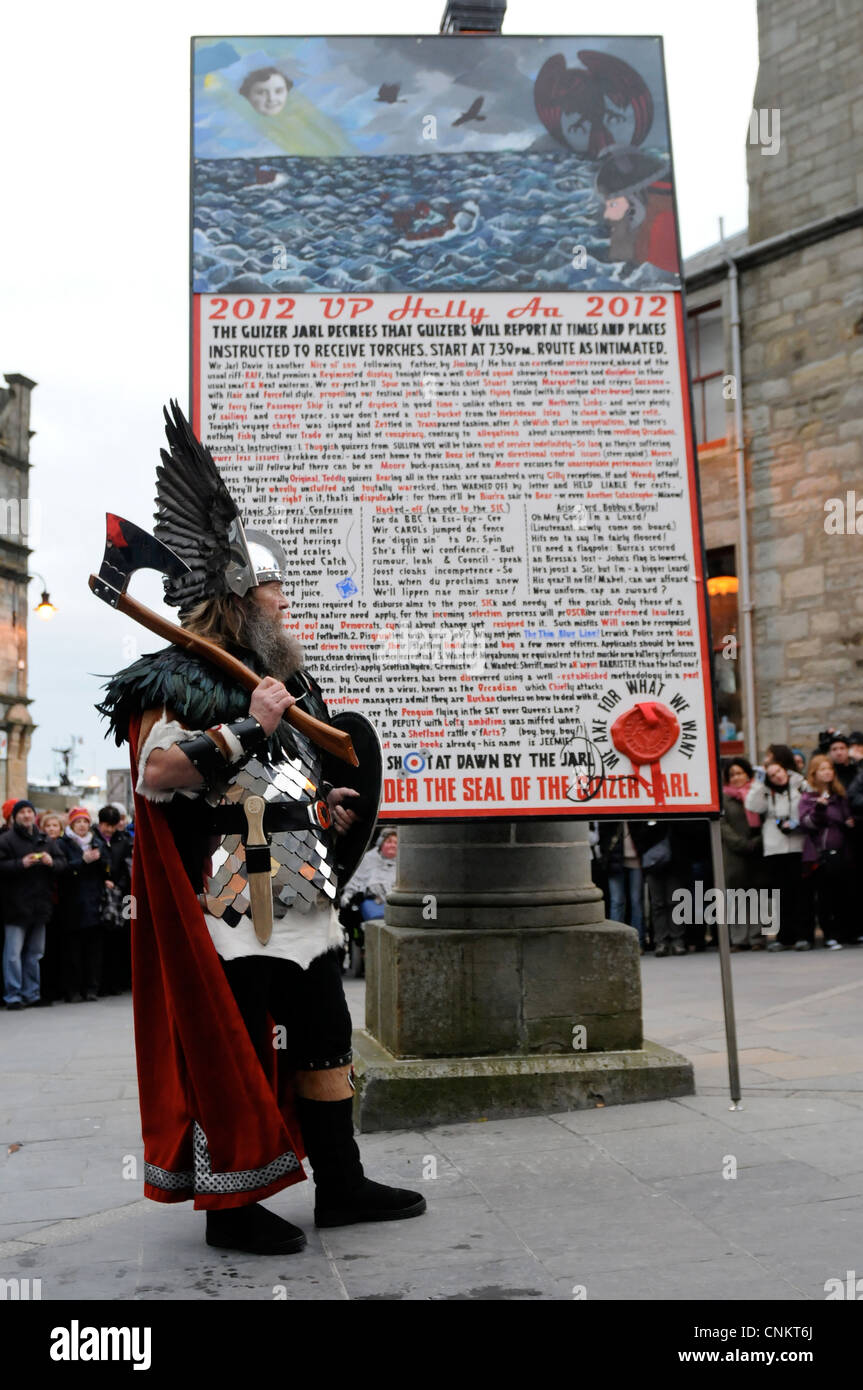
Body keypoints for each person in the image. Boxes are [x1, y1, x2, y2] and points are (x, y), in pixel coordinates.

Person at [95, 403, 425, 1257]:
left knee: (322, 1036)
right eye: (272, 591)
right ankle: (230, 1206)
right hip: (226, 892)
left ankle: (340, 1183)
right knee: (234, 1045)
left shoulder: (294, 679)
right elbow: (159, 773)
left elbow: (311, 774)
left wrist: (332, 806)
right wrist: (246, 724)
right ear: (237, 599)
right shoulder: (169, 675)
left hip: (299, 880)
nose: (284, 604)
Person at [0, 800, 61, 1009]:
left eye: (29, 812)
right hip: (15, 906)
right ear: (14, 816)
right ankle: (13, 995)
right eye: (22, 812)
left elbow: (62, 863)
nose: (26, 816)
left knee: (35, 953)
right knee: (13, 955)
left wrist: (51, 862)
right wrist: (20, 864)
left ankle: (31, 993)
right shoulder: (6, 840)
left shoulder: (44, 839)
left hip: (40, 905)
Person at [745, 760, 809, 950]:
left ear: (785, 769)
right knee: (780, 894)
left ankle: (803, 935)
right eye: (772, 775)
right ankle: (784, 937)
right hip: (775, 847)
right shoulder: (766, 791)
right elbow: (752, 805)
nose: (777, 776)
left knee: (801, 893)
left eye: (779, 771)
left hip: (798, 844)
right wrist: (759, 783)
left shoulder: (800, 785)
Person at [799, 755, 855, 949]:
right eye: (823, 769)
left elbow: (846, 819)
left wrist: (849, 822)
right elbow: (807, 823)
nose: (827, 772)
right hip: (821, 854)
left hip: (842, 851)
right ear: (815, 773)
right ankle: (829, 934)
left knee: (843, 894)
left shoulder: (839, 797)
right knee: (825, 897)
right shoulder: (808, 798)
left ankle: (845, 932)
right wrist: (820, 809)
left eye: (829, 768)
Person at [58, 807, 109, 1001]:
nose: (82, 825)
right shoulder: (63, 843)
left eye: (85, 821)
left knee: (93, 951)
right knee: (73, 952)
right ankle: (73, 990)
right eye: (78, 821)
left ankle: (91, 988)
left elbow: (107, 868)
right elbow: (62, 870)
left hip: (94, 903)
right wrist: (82, 860)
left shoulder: (97, 843)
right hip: (72, 904)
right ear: (71, 824)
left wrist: (101, 861)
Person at [720, 758, 764, 949]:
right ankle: (739, 939)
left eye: (739, 773)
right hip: (733, 853)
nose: (736, 777)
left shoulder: (758, 793)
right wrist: (740, 843)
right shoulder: (724, 798)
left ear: (747, 774)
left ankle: (757, 937)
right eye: (732, 774)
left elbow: (766, 819)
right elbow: (723, 825)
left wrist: (755, 842)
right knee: (736, 896)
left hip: (756, 849)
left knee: (755, 894)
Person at [92, 805, 133, 995]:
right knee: (102, 939)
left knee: (121, 938)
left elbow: (127, 868)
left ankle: (118, 981)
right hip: (100, 894)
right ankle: (102, 982)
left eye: (111, 825)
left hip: (122, 896)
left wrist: (118, 884)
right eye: (104, 825)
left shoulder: (124, 841)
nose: (107, 829)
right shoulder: (94, 840)